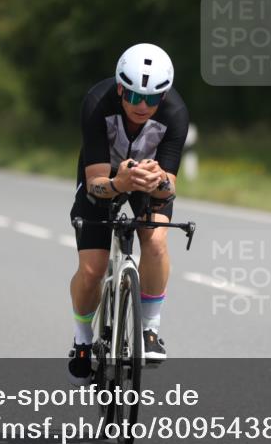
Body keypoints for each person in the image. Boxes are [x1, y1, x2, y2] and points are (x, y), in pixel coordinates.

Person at [68, 43, 189, 385]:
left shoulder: (176, 112)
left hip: (149, 179)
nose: (143, 106)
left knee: (155, 242)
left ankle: (150, 330)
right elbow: (95, 184)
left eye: (152, 98)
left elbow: (171, 187)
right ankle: (82, 340)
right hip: (106, 174)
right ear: (120, 88)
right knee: (91, 269)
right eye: (134, 96)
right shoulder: (96, 103)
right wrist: (119, 183)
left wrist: (159, 181)